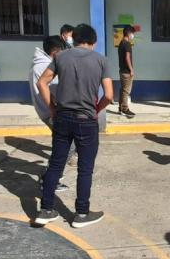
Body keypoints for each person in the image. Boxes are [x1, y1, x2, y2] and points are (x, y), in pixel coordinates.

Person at [35, 24, 114, 228]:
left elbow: (42, 83)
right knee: (85, 169)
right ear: (93, 42)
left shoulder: (61, 57)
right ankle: (81, 213)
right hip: (86, 120)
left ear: (74, 39)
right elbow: (109, 95)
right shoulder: (101, 60)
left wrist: (52, 108)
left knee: (55, 164)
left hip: (62, 117)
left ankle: (46, 210)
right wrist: (96, 110)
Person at [28, 35, 71, 191]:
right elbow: (56, 89)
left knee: (62, 146)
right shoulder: (45, 66)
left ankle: (53, 174)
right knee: (66, 146)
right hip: (51, 112)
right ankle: (50, 178)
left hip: (47, 110)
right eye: (63, 52)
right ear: (55, 51)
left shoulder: (40, 63)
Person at [117, 25, 136, 119]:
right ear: (129, 33)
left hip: (122, 71)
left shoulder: (121, 43)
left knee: (122, 90)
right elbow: (127, 57)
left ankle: (120, 108)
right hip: (126, 72)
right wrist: (131, 69)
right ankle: (125, 109)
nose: (133, 35)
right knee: (126, 91)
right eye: (132, 33)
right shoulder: (127, 44)